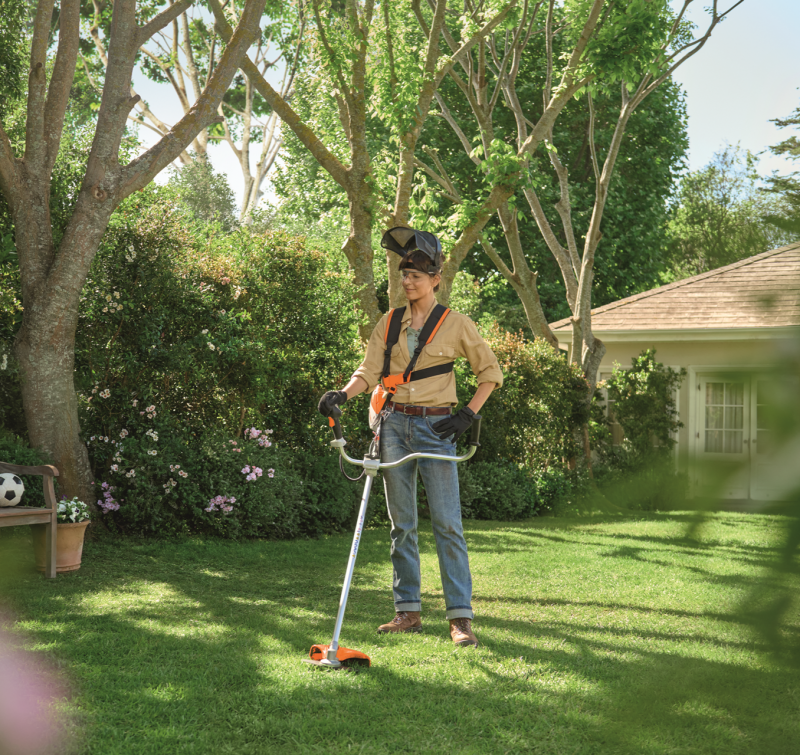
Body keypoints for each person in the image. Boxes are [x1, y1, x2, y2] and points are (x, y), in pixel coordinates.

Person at [318, 227, 503, 648]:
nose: (408, 282)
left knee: (448, 525)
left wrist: (466, 416)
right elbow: (369, 372)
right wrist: (342, 395)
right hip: (393, 427)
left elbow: (490, 374)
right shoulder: (390, 321)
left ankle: (460, 618)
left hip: (437, 429)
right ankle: (408, 612)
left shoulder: (457, 324)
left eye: (417, 276)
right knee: (402, 525)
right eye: (404, 275)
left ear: (436, 279)